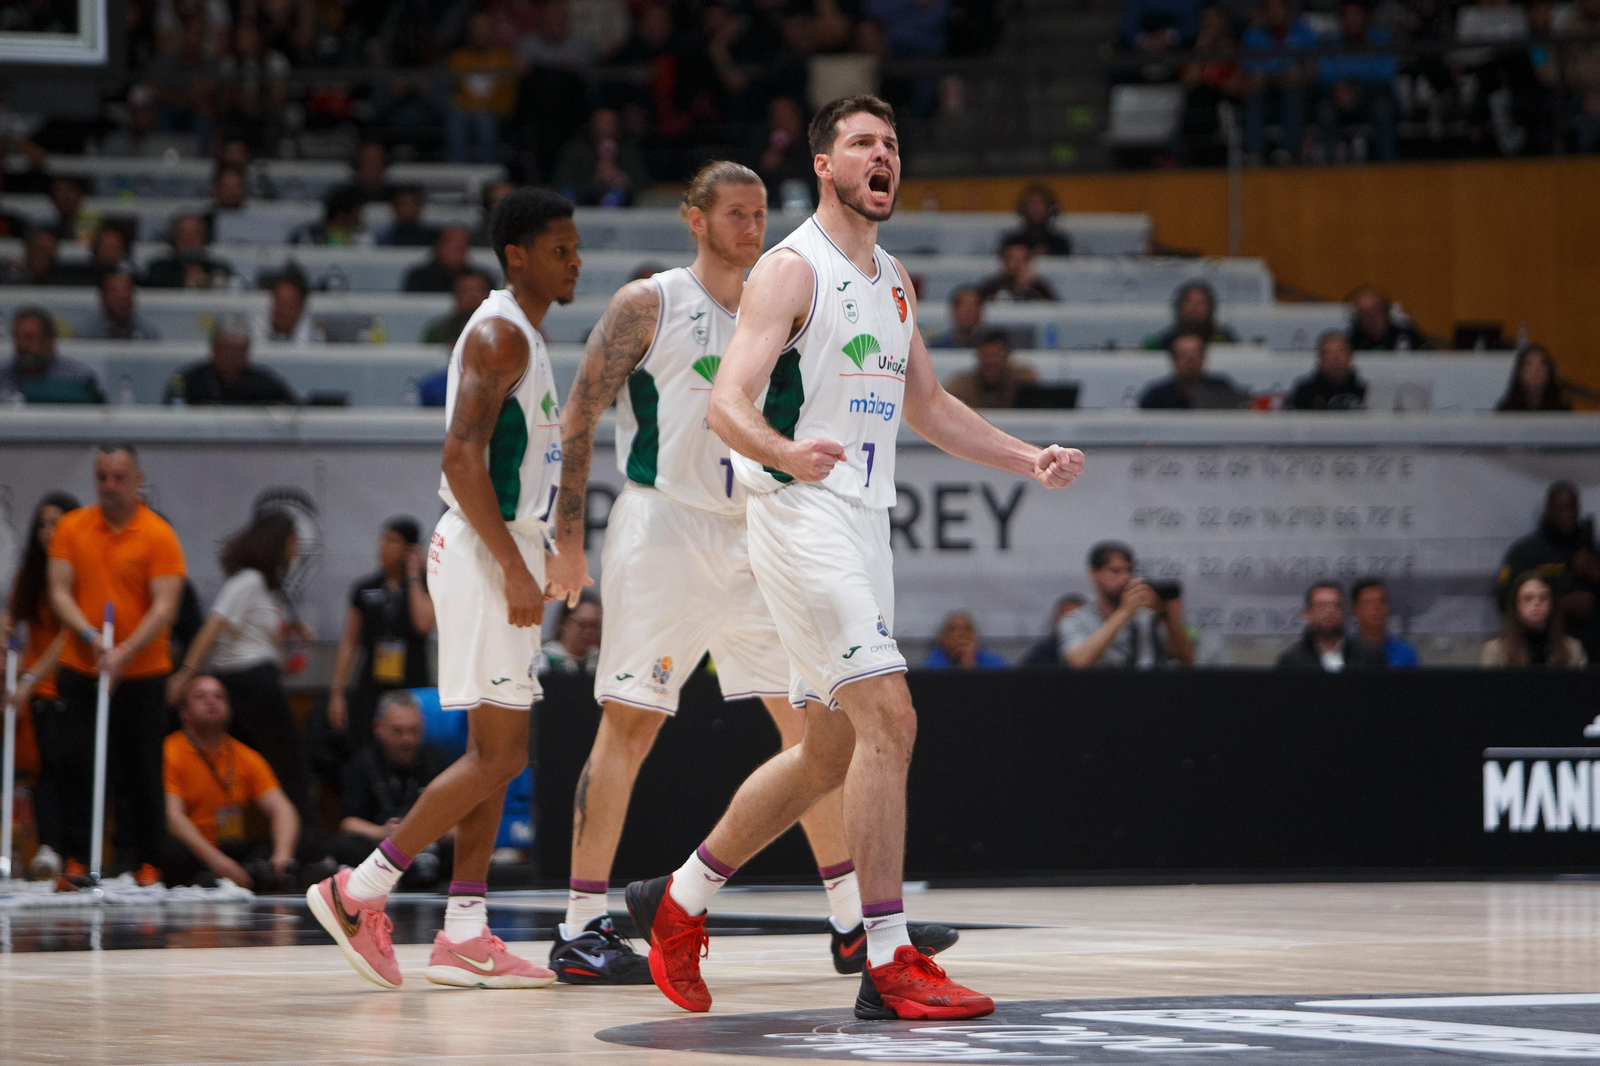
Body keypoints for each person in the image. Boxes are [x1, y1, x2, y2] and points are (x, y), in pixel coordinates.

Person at [609, 95, 1083, 1021]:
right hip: (799, 515)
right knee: (891, 719)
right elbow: (726, 403)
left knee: (827, 751)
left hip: (864, 524)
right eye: (864, 143)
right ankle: (887, 958)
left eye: (892, 145)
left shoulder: (895, 278)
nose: (883, 156)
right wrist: (784, 454)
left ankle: (679, 901)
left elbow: (931, 409)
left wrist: (1029, 457)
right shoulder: (791, 269)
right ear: (825, 165)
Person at [544, 159, 954, 985]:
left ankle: (849, 918)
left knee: (813, 728)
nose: (753, 225)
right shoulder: (647, 304)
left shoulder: (789, 292)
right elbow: (577, 414)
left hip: (762, 529)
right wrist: (566, 536)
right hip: (665, 529)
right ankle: (581, 922)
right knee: (632, 723)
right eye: (735, 212)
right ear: (694, 218)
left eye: (762, 210)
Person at [306, 187, 579, 992]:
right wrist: (518, 565)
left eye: (575, 248)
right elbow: (461, 460)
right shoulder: (499, 334)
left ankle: (464, 930)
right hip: (487, 558)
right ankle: (357, 891)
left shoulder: (523, 333)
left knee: (493, 756)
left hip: (501, 550)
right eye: (560, 248)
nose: (574, 261)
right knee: (500, 755)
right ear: (518, 255)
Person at [47, 444, 186, 883]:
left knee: (140, 766)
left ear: (138, 478)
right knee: (78, 761)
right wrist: (91, 638)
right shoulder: (73, 527)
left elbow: (165, 606)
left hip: (142, 672)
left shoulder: (157, 534)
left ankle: (143, 859)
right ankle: (76, 857)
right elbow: (59, 591)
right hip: (81, 666)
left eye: (118, 477)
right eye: (102, 477)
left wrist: (126, 651)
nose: (109, 486)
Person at [164, 511, 317, 834]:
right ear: (277, 543)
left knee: (242, 763)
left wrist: (289, 629)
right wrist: (186, 674)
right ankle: (308, 846)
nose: (296, 551)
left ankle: (247, 843)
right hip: (250, 681)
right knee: (290, 764)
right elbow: (213, 626)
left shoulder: (265, 588)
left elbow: (250, 630)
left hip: (251, 681)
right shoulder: (247, 581)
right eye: (292, 542)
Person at [161, 675, 309, 889]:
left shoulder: (245, 755)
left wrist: (282, 856)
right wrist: (218, 863)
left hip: (232, 847)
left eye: (219, 697)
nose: (211, 701)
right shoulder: (170, 751)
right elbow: (172, 817)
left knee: (303, 840)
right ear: (184, 713)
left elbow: (283, 809)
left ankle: (260, 877)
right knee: (168, 850)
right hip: (195, 850)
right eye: (201, 697)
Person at [2, 492, 81, 880]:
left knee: (74, 767)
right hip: (38, 689)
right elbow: (13, 619)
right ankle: (50, 847)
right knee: (44, 770)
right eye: (44, 524)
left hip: (70, 679)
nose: (50, 532)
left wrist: (31, 678)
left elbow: (69, 635)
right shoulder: (28, 576)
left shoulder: (79, 572)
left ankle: (77, 851)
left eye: (59, 523)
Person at [327, 518, 436, 748]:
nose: (383, 546)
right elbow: (349, 643)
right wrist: (338, 693)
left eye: (393, 540)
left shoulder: (425, 586)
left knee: (412, 745)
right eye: (383, 539)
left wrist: (416, 575)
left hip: (413, 680)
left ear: (410, 549)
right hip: (372, 682)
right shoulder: (365, 588)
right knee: (366, 743)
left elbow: (424, 624)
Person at [332, 691, 452, 890]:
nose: (407, 740)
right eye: (398, 731)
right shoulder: (362, 764)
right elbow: (348, 823)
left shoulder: (438, 761)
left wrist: (436, 832)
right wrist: (383, 832)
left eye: (414, 730)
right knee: (345, 846)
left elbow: (461, 819)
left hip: (430, 849)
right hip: (380, 846)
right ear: (379, 727)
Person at [1496, 481, 1599, 660]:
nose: (1568, 514)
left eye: (1573, 508)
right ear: (1549, 509)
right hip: (1536, 648)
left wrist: (1595, 573)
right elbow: (1505, 598)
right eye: (1561, 508)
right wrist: (1559, 605)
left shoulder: (1589, 551)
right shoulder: (1525, 553)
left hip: (1590, 645)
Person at [1060, 542, 1193, 668]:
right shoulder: (1077, 619)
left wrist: (1166, 615)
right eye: (1115, 571)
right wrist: (1124, 612)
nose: (1125, 578)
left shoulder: (1148, 615)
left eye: (1129, 571)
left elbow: (1187, 659)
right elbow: (1079, 661)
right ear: (1094, 573)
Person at [1315, 0, 1398, 161]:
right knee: (1325, 112)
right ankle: (1329, 169)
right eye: (1348, 15)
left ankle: (1387, 166)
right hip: (1338, 97)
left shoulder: (1380, 40)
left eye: (1356, 15)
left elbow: (1386, 71)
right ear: (1341, 19)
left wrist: (1356, 88)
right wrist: (1340, 88)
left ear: (1366, 17)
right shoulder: (1331, 43)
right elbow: (1323, 72)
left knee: (1383, 109)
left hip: (1372, 96)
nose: (1352, 20)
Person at [1240, 0, 1317, 161]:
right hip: (1265, 95)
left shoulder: (1304, 32)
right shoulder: (1253, 35)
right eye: (1269, 8)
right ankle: (1254, 154)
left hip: (1297, 94)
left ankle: (1287, 153)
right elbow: (1252, 78)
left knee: (1293, 94)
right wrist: (1283, 77)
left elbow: (1309, 74)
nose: (1274, 13)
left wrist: (1269, 78)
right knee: (1254, 96)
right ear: (1263, 13)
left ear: (1288, 11)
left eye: (1278, 8)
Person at [165, 317, 296, 405]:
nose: (233, 356)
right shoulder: (188, 381)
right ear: (214, 347)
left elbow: (291, 407)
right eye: (228, 348)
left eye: (239, 349)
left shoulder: (265, 385)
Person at [446, 11, 518, 164]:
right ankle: (457, 172)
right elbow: (455, 95)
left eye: (485, 27)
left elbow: (507, 98)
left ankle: (487, 176)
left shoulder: (504, 59)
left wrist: (482, 107)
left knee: (484, 119)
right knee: (456, 116)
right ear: (469, 31)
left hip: (494, 114)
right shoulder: (458, 59)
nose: (481, 32)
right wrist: (470, 106)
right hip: (465, 113)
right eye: (476, 27)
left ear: (493, 30)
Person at [1482, 572, 1588, 667]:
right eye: (1528, 598)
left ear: (1552, 604)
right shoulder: (1495, 651)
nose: (1536, 604)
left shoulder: (1572, 649)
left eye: (1543, 598)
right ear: (1516, 605)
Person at [3, 307, 106, 404]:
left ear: (48, 340)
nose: (22, 345)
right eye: (17, 337)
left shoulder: (79, 379)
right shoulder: (3, 376)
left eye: (29, 337)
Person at [1276, 581, 1389, 669]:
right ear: (1307, 613)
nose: (1329, 611)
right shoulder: (1292, 660)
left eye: (1336, 605)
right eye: (1322, 606)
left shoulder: (1369, 656)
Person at [553, 107, 652, 207]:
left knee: (617, 193)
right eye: (601, 124)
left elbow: (644, 182)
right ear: (592, 127)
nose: (605, 128)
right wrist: (595, 180)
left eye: (610, 124)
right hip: (582, 205)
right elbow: (561, 182)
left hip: (622, 213)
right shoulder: (575, 149)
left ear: (618, 126)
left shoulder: (628, 150)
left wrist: (625, 181)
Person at [1138, 330, 1248, 409]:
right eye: (1183, 355)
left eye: (1194, 355)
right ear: (1174, 360)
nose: (1189, 361)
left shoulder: (1221, 390)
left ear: (1203, 358)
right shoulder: (1156, 397)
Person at [941, 327, 1038, 408]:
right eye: (985, 356)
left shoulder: (1023, 381)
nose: (990, 362)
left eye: (996, 355)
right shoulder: (960, 386)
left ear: (1007, 356)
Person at [141, 215, 234, 289]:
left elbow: (235, 285)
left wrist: (209, 281)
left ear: (205, 240)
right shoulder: (158, 269)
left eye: (196, 234)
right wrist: (187, 281)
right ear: (173, 239)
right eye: (183, 234)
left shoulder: (220, 267)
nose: (190, 240)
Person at [1140, 280, 1238, 350]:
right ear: (1178, 307)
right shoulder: (1164, 343)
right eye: (1188, 302)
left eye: (1201, 303)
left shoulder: (1225, 340)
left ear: (1211, 308)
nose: (1194, 307)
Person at [1348, 578, 1419, 667]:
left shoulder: (1405, 653)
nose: (1377, 608)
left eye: (1381, 601)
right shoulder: (1346, 652)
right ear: (1355, 610)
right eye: (1369, 602)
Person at [1287, 330, 1367, 410]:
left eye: (1341, 352)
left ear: (1350, 357)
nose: (1335, 358)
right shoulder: (1305, 394)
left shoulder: (1365, 393)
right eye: (1328, 353)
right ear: (1320, 359)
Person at [80, 269, 162, 341]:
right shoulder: (88, 334)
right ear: (103, 297)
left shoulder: (148, 332)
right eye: (114, 292)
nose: (122, 296)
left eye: (126, 290)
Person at [0, 227, 97, 286]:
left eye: (48, 251)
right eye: (39, 249)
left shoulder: (66, 279)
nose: (42, 256)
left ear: (55, 252)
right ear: (27, 249)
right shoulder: (7, 276)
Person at [1347, 285, 1431, 351]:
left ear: (1385, 310)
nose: (1370, 319)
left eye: (1374, 312)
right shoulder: (1352, 341)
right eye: (1363, 314)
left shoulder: (1404, 335)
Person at [422, 269, 494, 345]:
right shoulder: (438, 332)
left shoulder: (499, 329)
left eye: (479, 290)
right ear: (456, 296)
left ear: (489, 295)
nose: (472, 296)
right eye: (465, 291)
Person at [977, 236, 1058, 302]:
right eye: (1012, 259)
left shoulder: (1040, 289)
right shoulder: (990, 288)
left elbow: (1055, 313)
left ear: (1028, 262)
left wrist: (1023, 288)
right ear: (1003, 260)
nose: (1016, 265)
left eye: (1021, 260)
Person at [1001, 183, 1072, 256]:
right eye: (1031, 204)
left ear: (1050, 209)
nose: (1035, 209)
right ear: (1023, 209)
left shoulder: (1060, 244)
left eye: (1040, 203)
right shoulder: (1012, 243)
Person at [1496, 344, 1570, 411]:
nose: (1537, 369)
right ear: (1520, 372)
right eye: (1530, 364)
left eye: (1543, 364)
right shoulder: (1507, 411)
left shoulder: (1561, 410)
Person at [923, 611, 1008, 668]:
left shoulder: (996, 664)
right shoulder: (930, 666)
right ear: (942, 638)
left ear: (975, 636)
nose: (961, 634)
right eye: (953, 629)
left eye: (968, 628)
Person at [404, 225, 475, 293]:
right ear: (438, 246)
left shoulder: (477, 279)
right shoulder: (419, 278)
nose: (457, 248)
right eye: (451, 243)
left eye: (462, 244)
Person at [539, 597, 601, 674]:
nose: (588, 632)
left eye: (594, 626)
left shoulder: (600, 661)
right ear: (562, 622)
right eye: (582, 624)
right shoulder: (542, 660)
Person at [1019, 594, 1085, 665]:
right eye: (1064, 616)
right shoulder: (1043, 652)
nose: (1067, 623)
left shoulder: (1094, 649)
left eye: (1073, 618)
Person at [290, 186, 367, 247]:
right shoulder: (305, 236)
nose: (360, 217)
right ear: (342, 214)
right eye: (357, 212)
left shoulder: (362, 237)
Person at [253, 267, 314, 343]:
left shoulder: (314, 337)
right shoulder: (252, 330)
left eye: (287, 303)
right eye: (278, 300)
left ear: (301, 306)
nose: (281, 308)